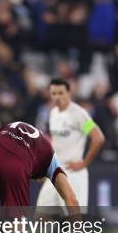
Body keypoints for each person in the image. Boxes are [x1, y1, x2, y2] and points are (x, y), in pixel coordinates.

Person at [36, 78, 105, 207]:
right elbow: (54, 142)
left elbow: (98, 138)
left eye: (61, 93)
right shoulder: (53, 114)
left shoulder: (79, 114)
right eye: (54, 93)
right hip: (55, 171)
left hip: (72, 172)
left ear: (69, 93)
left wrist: (84, 163)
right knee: (42, 214)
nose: (57, 97)